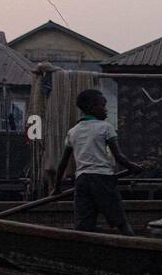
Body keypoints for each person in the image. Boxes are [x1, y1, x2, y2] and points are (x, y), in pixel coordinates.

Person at [52, 89, 142, 233]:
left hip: (82, 182)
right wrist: (133, 167)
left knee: (83, 227)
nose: (106, 110)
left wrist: (56, 188)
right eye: (103, 106)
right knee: (121, 222)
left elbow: (63, 163)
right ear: (91, 108)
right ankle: (136, 249)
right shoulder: (105, 127)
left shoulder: (73, 131)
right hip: (103, 180)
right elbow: (119, 157)